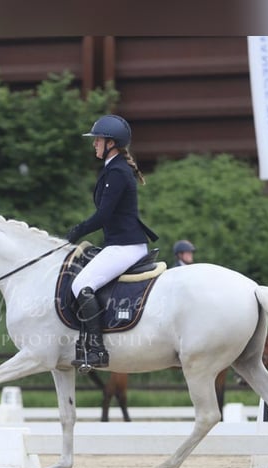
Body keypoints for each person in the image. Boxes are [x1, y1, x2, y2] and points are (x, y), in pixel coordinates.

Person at [65, 114, 158, 369]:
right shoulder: (113, 169)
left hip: (124, 245)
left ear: (111, 143)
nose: (94, 144)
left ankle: (96, 349)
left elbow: (104, 215)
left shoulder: (116, 171)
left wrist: (78, 230)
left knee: (81, 285)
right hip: (120, 243)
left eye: (98, 140)